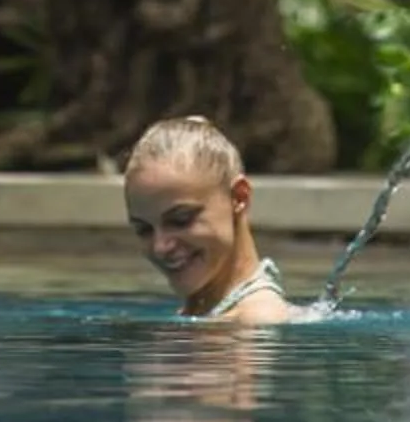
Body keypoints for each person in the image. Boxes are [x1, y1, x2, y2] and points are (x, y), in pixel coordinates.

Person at [121, 115, 303, 325]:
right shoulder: (214, 315)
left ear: (239, 197)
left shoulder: (253, 322)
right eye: (144, 229)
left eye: (181, 220)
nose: (160, 247)